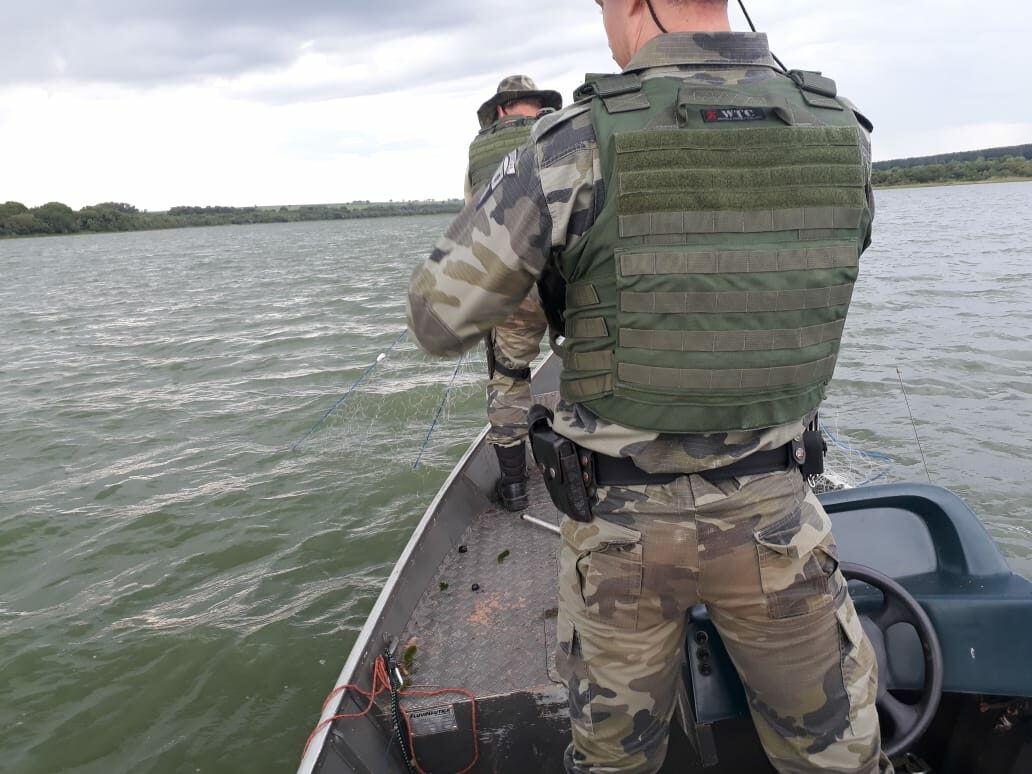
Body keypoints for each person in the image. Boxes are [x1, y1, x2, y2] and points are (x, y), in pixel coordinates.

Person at [407, 1, 886, 772]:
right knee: (837, 761)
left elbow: (436, 318)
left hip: (620, 537)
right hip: (778, 519)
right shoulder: (842, 131)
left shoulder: (569, 145)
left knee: (614, 764)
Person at [465, 76, 561, 512]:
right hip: (567, 272)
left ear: (500, 109)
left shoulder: (479, 150)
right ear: (537, 104)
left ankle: (515, 488)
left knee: (508, 376)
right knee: (590, 361)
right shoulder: (565, 129)